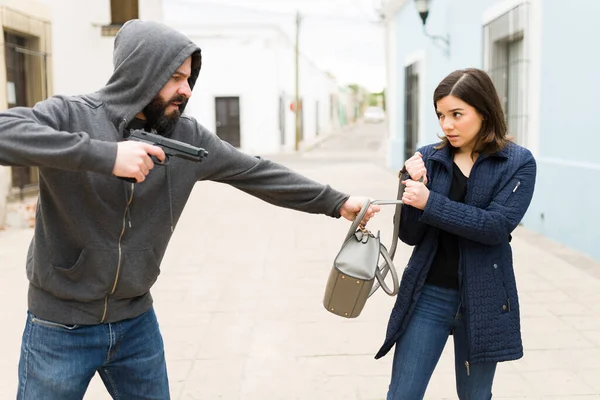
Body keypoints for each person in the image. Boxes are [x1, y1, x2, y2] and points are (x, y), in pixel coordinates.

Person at [0, 20, 380, 399]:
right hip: (59, 325)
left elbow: (257, 171)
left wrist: (337, 201)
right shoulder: (70, 114)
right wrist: (106, 155)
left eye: (189, 78)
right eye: (176, 78)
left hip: (135, 322)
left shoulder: (188, 136)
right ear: (140, 72)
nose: (186, 89)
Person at [375, 68, 537, 399]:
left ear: (484, 111)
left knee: (475, 396)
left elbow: (495, 227)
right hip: (429, 293)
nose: (446, 125)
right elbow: (410, 236)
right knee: (402, 394)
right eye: (441, 115)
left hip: (484, 296)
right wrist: (412, 185)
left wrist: (430, 202)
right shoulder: (430, 158)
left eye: (456, 114)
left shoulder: (517, 162)